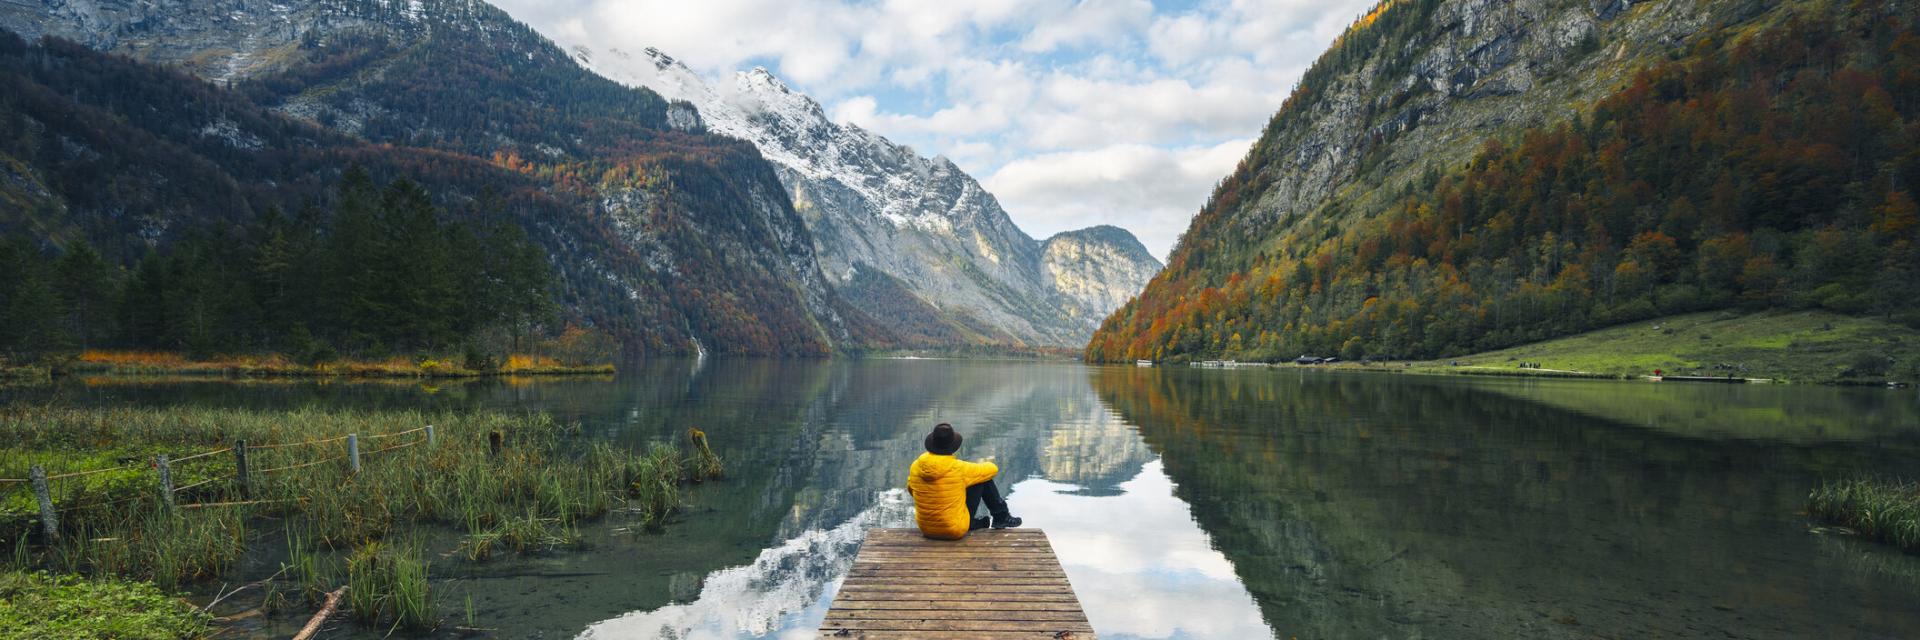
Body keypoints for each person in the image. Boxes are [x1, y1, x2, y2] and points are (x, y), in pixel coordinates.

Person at [907, 423, 1021, 539]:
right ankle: (1001, 517)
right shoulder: (959, 468)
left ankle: (977, 523)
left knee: (952, 486)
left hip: (926, 529)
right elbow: (993, 469)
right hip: (954, 530)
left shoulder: (915, 466)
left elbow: (912, 491)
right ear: (952, 446)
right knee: (982, 478)